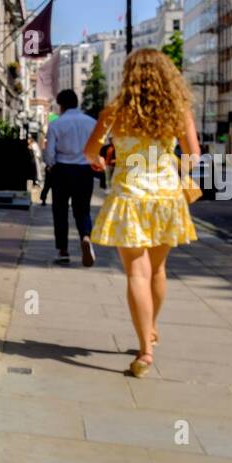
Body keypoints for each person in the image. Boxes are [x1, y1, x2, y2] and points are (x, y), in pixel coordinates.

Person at [84, 49, 199, 377]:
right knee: (158, 270)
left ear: (129, 76)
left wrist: (100, 160)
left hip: (130, 198)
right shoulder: (178, 111)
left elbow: (91, 151)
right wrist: (171, 166)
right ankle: (151, 328)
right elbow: (193, 155)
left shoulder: (115, 112)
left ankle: (145, 351)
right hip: (166, 199)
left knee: (137, 272)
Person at [42, 89, 98, 265]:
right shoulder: (91, 122)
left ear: (61, 105)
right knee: (82, 209)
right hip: (84, 170)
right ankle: (86, 236)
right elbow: (96, 148)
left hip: (62, 170)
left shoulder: (56, 124)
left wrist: (50, 166)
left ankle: (63, 250)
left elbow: (49, 153)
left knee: (60, 211)